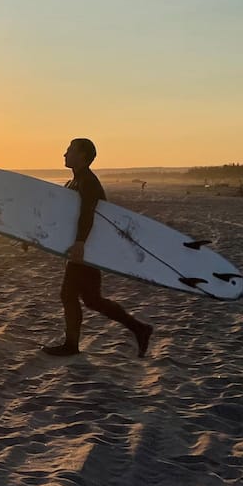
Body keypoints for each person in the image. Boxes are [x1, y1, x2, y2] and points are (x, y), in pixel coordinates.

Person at [42, 139, 153, 358]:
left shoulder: (88, 182)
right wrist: (34, 237)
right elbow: (62, 218)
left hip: (88, 248)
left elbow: (87, 213)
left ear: (82, 155)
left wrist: (82, 243)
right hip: (82, 247)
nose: (64, 154)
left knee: (69, 295)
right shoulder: (74, 182)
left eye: (70, 150)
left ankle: (72, 345)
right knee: (92, 299)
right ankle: (140, 329)